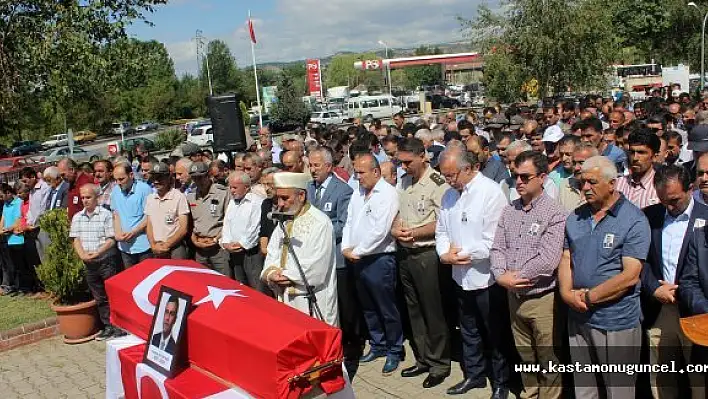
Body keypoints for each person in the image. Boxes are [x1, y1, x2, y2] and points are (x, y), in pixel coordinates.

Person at [559, 156, 649, 398]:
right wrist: (567, 294)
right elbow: (567, 258)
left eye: (592, 182)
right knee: (584, 389)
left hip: (616, 320)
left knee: (618, 391)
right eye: (582, 182)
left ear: (612, 184)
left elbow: (630, 275)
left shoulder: (634, 220)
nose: (585, 188)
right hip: (578, 317)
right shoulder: (575, 217)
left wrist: (590, 297)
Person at [491, 151, 567, 399]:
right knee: (525, 355)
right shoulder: (509, 211)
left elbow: (548, 259)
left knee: (548, 357)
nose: (519, 182)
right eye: (515, 176)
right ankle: (530, 393)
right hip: (514, 297)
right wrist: (501, 275)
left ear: (542, 177)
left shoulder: (555, 213)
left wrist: (515, 276)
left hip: (542, 299)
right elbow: (497, 248)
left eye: (525, 176)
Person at [436, 149, 510, 398]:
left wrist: (463, 254)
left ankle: (501, 381)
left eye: (451, 175)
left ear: (468, 169)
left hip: (486, 277)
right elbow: (442, 231)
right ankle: (475, 375)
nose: (448, 180)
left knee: (495, 332)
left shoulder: (490, 193)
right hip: (459, 275)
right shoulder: (448, 196)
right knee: (468, 330)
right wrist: (444, 254)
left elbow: (494, 239)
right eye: (444, 175)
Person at [641, 165, 708, 399]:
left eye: (674, 200)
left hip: (697, 312)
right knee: (661, 376)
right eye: (663, 201)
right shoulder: (649, 217)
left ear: (691, 189)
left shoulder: (706, 217)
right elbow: (640, 261)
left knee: (699, 378)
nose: (669, 207)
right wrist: (654, 287)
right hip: (661, 310)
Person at [392, 138, 451, 388]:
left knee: (432, 310)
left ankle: (439, 363)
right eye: (401, 162)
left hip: (426, 254)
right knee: (413, 310)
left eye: (408, 162)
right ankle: (423, 357)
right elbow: (397, 212)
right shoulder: (404, 181)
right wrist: (396, 229)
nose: (404, 167)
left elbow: (442, 221)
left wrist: (415, 233)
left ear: (422, 157)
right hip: (405, 254)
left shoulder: (438, 183)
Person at [342, 154, 403, 375]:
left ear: (376, 172)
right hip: (357, 257)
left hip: (379, 259)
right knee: (368, 306)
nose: (357, 177)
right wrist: (346, 247)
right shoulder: (358, 193)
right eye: (355, 172)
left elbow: (381, 230)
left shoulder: (387, 194)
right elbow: (349, 220)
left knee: (386, 307)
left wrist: (357, 251)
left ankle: (394, 350)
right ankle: (378, 345)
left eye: (361, 172)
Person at [261, 172, 338, 326]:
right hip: (285, 297)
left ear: (301, 196)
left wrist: (286, 275)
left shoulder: (320, 223)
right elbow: (272, 252)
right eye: (278, 198)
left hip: (311, 298)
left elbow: (318, 266)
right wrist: (271, 273)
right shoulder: (283, 220)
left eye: (285, 198)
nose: (280, 204)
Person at [70, 184, 124, 340]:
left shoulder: (105, 215)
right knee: (99, 296)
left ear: (97, 198)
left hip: (106, 260)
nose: (85, 201)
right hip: (89, 263)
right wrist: (83, 255)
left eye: (88, 197)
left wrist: (98, 252)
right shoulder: (77, 217)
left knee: (112, 294)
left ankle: (118, 326)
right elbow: (76, 239)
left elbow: (112, 239)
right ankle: (107, 326)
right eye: (83, 198)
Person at [220, 171, 267, 293]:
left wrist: (242, 244)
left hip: (250, 252)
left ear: (246, 187)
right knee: (240, 287)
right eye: (230, 187)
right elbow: (227, 224)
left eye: (235, 187)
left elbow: (255, 227)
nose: (232, 190)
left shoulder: (256, 202)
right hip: (233, 252)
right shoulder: (232, 203)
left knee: (256, 287)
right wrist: (226, 242)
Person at [187, 162, 230, 275]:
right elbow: (190, 223)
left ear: (208, 175)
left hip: (218, 247)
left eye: (200, 177)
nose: (198, 181)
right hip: (200, 248)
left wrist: (216, 239)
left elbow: (229, 221)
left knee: (225, 282)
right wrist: (194, 240)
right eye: (194, 178)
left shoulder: (222, 193)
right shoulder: (191, 197)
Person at [144, 163, 190, 259]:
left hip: (175, 248)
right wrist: (152, 245)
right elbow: (149, 225)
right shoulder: (150, 198)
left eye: (160, 177)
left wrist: (167, 245)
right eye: (154, 177)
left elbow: (183, 228)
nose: (156, 181)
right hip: (156, 248)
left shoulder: (179, 197)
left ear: (168, 178)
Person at [111, 163, 152, 268]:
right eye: (116, 180)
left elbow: (149, 216)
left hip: (143, 245)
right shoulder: (115, 191)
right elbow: (116, 214)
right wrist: (118, 233)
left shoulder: (144, 189)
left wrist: (133, 232)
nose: (118, 183)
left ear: (131, 175)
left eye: (121, 179)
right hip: (125, 247)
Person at [616, 128, 661, 209]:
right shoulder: (618, 184)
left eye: (641, 152)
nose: (635, 158)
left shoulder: (660, 188)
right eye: (632, 152)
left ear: (654, 156)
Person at [558, 143, 598, 212]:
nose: (576, 168)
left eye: (581, 163)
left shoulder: (601, 188)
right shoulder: (565, 186)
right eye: (574, 163)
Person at [258, 167, 279, 256]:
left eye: (269, 184)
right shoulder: (266, 204)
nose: (266, 188)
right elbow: (264, 231)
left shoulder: (288, 205)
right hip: (269, 253)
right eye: (264, 184)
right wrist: (264, 250)